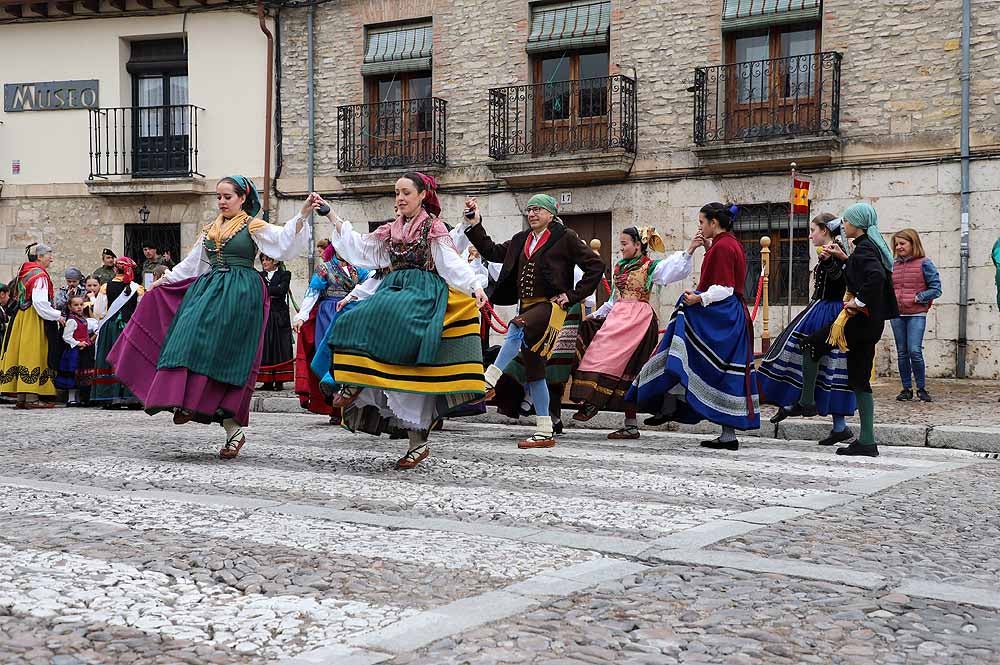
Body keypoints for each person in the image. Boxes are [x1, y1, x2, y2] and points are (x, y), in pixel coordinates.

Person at [107, 177, 313, 459]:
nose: (222, 201)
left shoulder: (251, 225)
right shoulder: (211, 229)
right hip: (209, 290)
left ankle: (228, 427)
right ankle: (186, 402)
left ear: (242, 198)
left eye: (227, 196)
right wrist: (164, 281)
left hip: (241, 293)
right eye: (219, 197)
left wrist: (301, 215)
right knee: (186, 337)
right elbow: (193, 263)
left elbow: (282, 243)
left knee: (222, 356)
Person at [323, 172, 488, 469]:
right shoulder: (390, 230)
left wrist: (475, 286)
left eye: (405, 193)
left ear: (423, 194)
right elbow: (362, 249)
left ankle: (416, 441)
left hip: (422, 292)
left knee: (401, 338)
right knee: (351, 320)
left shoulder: (433, 228)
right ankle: (354, 380)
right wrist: (332, 215)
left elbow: (450, 262)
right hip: (393, 290)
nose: (399, 198)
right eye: (396, 193)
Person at [466, 193, 605, 449]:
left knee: (516, 325)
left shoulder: (565, 237)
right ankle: (544, 430)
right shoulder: (521, 240)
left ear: (551, 214)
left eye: (537, 210)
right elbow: (492, 251)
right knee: (535, 371)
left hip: (551, 307)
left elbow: (596, 266)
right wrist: (475, 224)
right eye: (529, 210)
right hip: (527, 306)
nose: (531, 214)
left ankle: (490, 378)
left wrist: (573, 295)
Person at [631, 203, 760, 451]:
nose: (699, 227)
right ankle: (718, 429)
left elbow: (725, 288)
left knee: (704, 362)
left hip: (724, 315)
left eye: (702, 222)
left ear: (714, 222)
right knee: (718, 370)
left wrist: (698, 299)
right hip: (730, 314)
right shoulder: (726, 243)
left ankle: (668, 401)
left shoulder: (724, 246)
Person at [571, 227, 698, 439]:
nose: (621, 248)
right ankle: (592, 400)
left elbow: (672, 269)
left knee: (631, 372)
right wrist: (598, 315)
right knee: (596, 353)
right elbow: (614, 299)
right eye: (620, 244)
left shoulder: (650, 267)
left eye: (625, 244)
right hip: (618, 318)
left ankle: (630, 424)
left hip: (639, 321)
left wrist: (690, 249)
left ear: (638, 245)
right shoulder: (619, 267)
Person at [761, 214, 858, 446]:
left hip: (833, 312)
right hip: (820, 308)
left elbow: (841, 282)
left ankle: (808, 406)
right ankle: (832, 423)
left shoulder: (840, 251)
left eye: (813, 229)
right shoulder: (832, 251)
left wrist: (829, 261)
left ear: (825, 230)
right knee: (812, 360)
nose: (810, 234)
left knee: (831, 365)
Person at [826, 202, 899, 457]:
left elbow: (875, 278)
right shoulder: (867, 246)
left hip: (863, 323)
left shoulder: (866, 247)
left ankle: (867, 440)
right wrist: (844, 259)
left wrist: (856, 302)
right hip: (868, 324)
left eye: (846, 221)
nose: (843, 226)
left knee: (857, 376)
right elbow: (863, 274)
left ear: (857, 224)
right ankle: (867, 439)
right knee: (858, 378)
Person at [293, 243, 370, 421]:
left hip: (352, 314)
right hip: (328, 313)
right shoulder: (324, 268)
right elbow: (312, 293)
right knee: (329, 357)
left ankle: (349, 407)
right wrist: (302, 315)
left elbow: (371, 285)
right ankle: (334, 410)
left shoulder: (359, 269)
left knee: (349, 357)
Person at [0, 243, 65, 408]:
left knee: (23, 353)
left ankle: (22, 397)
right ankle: (31, 398)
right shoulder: (39, 276)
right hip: (33, 319)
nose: (51, 258)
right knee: (32, 353)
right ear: (40, 257)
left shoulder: (25, 271)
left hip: (22, 317)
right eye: (49, 255)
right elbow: (40, 303)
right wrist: (57, 316)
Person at [889, 228, 942, 403]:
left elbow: (936, 289)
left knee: (914, 351)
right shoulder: (893, 265)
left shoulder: (924, 263)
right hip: (897, 314)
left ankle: (921, 388)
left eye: (902, 243)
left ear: (913, 243)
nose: (899, 247)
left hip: (916, 313)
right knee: (902, 353)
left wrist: (919, 297)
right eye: (896, 244)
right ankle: (906, 389)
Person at [91, 257, 144, 409]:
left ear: (115, 269)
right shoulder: (138, 289)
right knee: (129, 360)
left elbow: (99, 312)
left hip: (110, 328)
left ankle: (110, 397)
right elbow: (141, 311)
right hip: (130, 328)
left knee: (109, 359)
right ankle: (131, 398)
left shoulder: (105, 287)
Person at [257, 253, 294, 391]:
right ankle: (266, 381)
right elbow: (260, 291)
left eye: (267, 260)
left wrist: (268, 290)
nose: (264, 262)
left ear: (275, 261)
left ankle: (280, 380)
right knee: (266, 345)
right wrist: (272, 290)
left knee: (280, 345)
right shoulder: (260, 276)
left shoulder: (285, 275)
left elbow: (281, 290)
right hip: (265, 313)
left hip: (279, 315)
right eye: (263, 260)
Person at [55, 295, 96, 407]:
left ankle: (78, 397)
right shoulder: (72, 321)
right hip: (73, 351)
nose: (79, 307)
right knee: (72, 373)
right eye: (76, 305)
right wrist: (78, 343)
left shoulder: (83, 319)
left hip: (83, 350)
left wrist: (88, 342)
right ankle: (71, 398)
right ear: (70, 307)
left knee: (80, 374)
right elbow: (66, 336)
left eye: (81, 305)